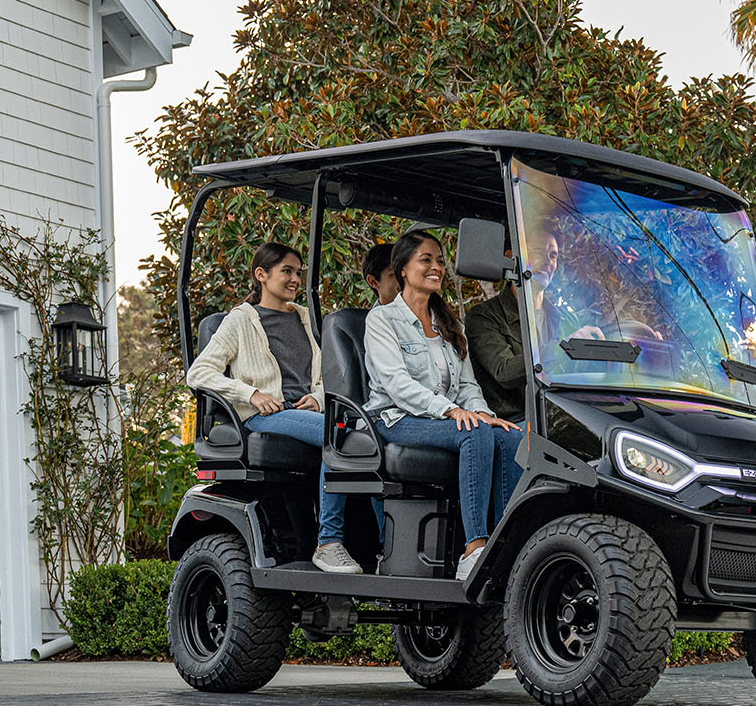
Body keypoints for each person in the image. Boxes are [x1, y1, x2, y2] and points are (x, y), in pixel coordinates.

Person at [185, 241, 363, 574]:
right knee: (337, 434)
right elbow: (199, 373)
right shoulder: (241, 320)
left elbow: (327, 376)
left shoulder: (307, 319)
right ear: (261, 275)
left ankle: (374, 546)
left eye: (299, 272)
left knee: (360, 434)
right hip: (263, 417)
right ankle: (328, 543)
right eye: (287, 271)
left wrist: (319, 398)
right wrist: (251, 394)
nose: (295, 279)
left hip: (306, 412)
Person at [362, 231, 524, 581]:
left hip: (441, 419)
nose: (436, 267)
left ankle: (505, 546)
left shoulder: (449, 324)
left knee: (510, 436)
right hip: (395, 418)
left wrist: (483, 413)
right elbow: (398, 386)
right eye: (426, 259)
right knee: (474, 434)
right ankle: (475, 546)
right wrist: (451, 411)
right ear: (402, 268)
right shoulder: (381, 320)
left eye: (439, 260)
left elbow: (467, 385)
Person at [465, 280, 525, 423]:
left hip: (562, 412)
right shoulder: (483, 316)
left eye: (553, 256)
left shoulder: (562, 315)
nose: (548, 261)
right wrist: (558, 350)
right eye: (540, 255)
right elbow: (505, 373)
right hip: (516, 419)